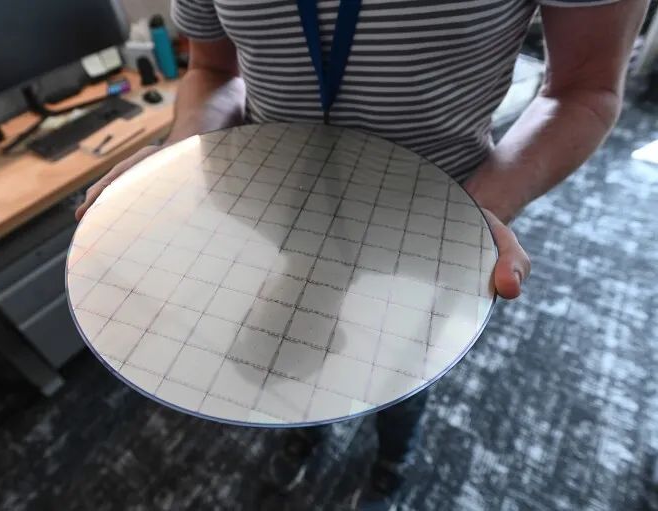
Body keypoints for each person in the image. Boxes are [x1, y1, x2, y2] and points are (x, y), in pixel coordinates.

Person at [76, 1, 647, 508]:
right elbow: (213, 69)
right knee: (287, 345)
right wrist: (179, 157)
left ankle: (392, 460)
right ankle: (307, 429)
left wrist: (471, 219)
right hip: (276, 217)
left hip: (429, 232)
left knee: (403, 367)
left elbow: (584, 91)